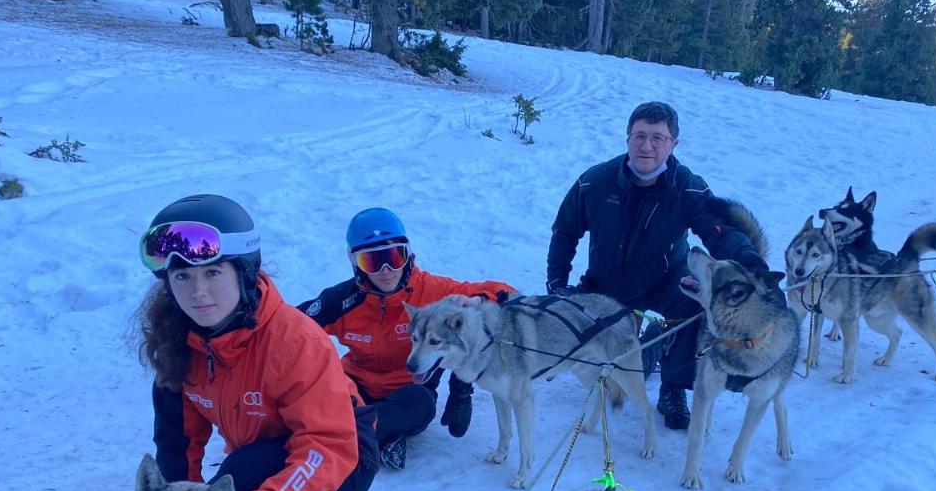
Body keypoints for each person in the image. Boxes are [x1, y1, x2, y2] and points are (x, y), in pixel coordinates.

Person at [134, 194, 378, 491]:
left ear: (244, 273)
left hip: (345, 459)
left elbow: (326, 446)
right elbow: (177, 446)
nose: (198, 292)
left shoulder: (295, 341)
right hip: (265, 455)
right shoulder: (179, 342)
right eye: (182, 276)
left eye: (213, 273)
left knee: (242, 476)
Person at [545, 101, 770, 430]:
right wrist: (557, 285)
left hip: (666, 277)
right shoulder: (594, 183)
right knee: (586, 335)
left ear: (673, 144)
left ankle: (673, 388)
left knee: (695, 307)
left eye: (657, 138)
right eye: (639, 136)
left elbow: (718, 231)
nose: (646, 146)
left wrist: (751, 263)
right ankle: (644, 352)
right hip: (605, 280)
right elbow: (564, 232)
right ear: (627, 139)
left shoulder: (688, 186)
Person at [298, 207, 514, 470]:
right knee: (318, 396)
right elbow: (290, 327)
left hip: (408, 393)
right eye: (372, 262)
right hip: (356, 389)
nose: (386, 270)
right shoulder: (343, 300)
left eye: (394, 256)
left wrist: (476, 300)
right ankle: (378, 438)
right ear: (356, 264)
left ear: (408, 255)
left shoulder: (432, 291)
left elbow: (504, 292)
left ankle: (339, 438)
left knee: (421, 405)